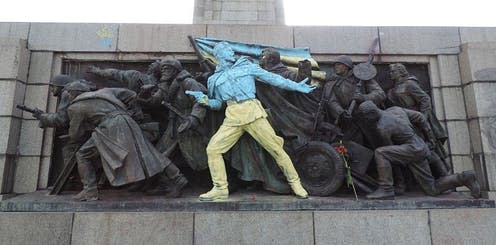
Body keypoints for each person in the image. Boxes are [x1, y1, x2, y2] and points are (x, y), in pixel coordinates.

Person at [186, 42, 315, 201]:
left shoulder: (246, 66)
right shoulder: (213, 79)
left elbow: (273, 79)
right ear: (219, 54)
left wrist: (297, 86)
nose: (231, 52)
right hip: (232, 117)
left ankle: (296, 184)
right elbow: (218, 103)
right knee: (213, 149)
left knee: (276, 149)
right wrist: (205, 100)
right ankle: (220, 188)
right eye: (227, 50)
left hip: (253, 112)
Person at [66, 85, 187, 201]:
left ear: (73, 93)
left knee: (83, 154)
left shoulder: (75, 107)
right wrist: (135, 111)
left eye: (68, 93)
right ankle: (176, 177)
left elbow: (75, 135)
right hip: (127, 120)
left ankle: (89, 191)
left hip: (110, 127)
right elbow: (131, 95)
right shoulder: (104, 91)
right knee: (147, 153)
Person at [356, 101, 480, 200]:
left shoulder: (383, 127)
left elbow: (391, 158)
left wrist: (399, 181)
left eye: (366, 116)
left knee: (380, 152)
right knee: (432, 189)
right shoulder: (395, 110)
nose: (366, 119)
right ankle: (464, 177)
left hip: (413, 150)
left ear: (372, 113)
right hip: (419, 147)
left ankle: (386, 189)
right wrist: (431, 138)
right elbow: (420, 117)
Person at [387, 63, 450, 176]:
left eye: (393, 71)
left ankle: (445, 175)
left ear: (401, 72)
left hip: (415, 120)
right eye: (390, 71)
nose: (390, 74)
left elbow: (425, 98)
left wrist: (423, 117)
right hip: (404, 120)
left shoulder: (409, 84)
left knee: (426, 149)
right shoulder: (394, 89)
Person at [323, 55, 386, 144]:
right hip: (346, 120)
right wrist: (341, 112)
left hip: (365, 117)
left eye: (339, 64)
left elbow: (380, 93)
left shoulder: (361, 77)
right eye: (335, 65)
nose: (335, 67)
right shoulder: (331, 83)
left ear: (346, 66)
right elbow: (332, 101)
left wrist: (364, 97)